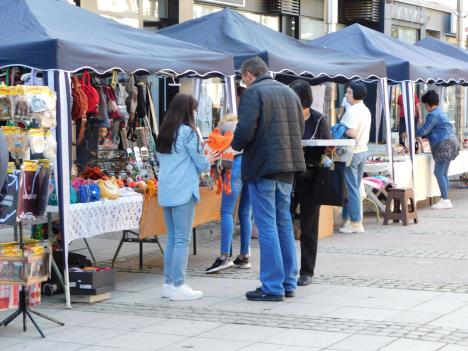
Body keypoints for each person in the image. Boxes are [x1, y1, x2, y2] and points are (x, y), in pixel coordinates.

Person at [231, 56, 306, 301]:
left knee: (267, 225)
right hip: (288, 167)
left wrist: (235, 146)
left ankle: (272, 286)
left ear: (249, 75)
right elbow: (300, 129)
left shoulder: (254, 93)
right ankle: (288, 281)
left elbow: (244, 130)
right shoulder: (290, 92)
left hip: (263, 166)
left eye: (243, 78)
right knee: (283, 221)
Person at [156, 93, 219, 301]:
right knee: (182, 239)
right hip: (183, 189)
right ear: (188, 110)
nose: (196, 112)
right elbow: (201, 163)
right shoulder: (188, 132)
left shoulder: (164, 131)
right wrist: (208, 158)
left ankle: (168, 283)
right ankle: (179, 284)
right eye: (194, 108)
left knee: (173, 239)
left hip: (166, 189)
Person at [289, 79, 331, 287]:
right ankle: (287, 269)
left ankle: (307, 270)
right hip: (288, 175)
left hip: (311, 177)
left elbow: (329, 147)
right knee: (283, 223)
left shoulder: (318, 119)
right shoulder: (287, 118)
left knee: (308, 226)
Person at [206, 113, 252, 273]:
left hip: (236, 165)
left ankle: (224, 256)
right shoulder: (244, 126)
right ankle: (244, 256)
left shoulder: (223, 127)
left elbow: (211, 148)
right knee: (245, 213)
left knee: (226, 211)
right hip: (251, 164)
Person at [417, 90, 459, 210]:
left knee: (438, 172)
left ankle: (445, 200)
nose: (426, 107)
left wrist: (410, 133)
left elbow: (425, 130)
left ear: (428, 104)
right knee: (444, 173)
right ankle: (446, 199)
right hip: (452, 142)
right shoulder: (440, 112)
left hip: (444, 144)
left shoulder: (433, 114)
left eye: (425, 105)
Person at [339, 81, 371, 234]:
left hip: (351, 152)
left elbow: (352, 132)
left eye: (349, 92)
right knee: (354, 187)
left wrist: (340, 128)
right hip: (362, 151)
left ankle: (356, 222)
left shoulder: (352, 111)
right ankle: (347, 219)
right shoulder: (365, 109)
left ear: (356, 95)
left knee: (351, 189)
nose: (346, 94)